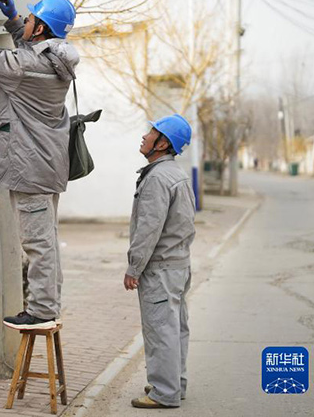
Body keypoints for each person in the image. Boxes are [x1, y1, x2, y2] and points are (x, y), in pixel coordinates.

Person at [0, 0, 78, 330]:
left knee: (37, 243)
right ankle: (48, 304)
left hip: (31, 167)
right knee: (47, 240)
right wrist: (12, 24)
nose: (25, 21)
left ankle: (41, 309)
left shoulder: (26, 67)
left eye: (30, 19)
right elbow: (26, 58)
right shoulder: (54, 61)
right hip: (46, 164)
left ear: (40, 30)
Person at [124, 114, 195, 409]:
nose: (144, 137)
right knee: (175, 328)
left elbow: (148, 230)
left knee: (160, 330)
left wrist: (134, 268)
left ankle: (163, 393)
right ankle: (173, 385)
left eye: (151, 133)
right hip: (178, 264)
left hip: (160, 268)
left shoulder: (156, 179)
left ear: (163, 143)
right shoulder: (176, 174)